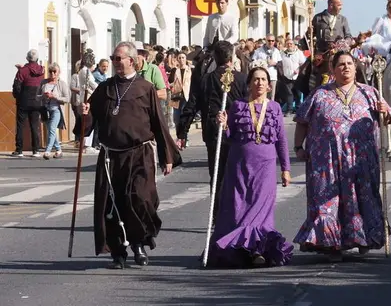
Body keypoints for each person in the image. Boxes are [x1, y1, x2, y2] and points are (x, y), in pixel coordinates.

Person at [83, 41, 181, 269]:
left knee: (139, 199)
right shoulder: (104, 88)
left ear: (132, 60)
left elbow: (159, 123)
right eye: (114, 58)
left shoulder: (145, 88)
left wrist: (167, 156)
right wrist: (84, 114)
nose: (116, 62)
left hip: (140, 154)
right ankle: (118, 253)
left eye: (120, 58)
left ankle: (138, 244)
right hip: (110, 158)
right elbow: (88, 123)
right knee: (112, 206)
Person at [293, 51, 391, 262]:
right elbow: (302, 121)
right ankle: (331, 244)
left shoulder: (370, 92)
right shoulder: (319, 94)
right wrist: (298, 147)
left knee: (360, 198)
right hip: (325, 160)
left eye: (349, 64)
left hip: (361, 159)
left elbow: (387, 118)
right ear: (333, 69)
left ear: (356, 68)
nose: (346, 67)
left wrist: (386, 111)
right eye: (341, 64)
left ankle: (362, 238)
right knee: (327, 201)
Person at [207, 67, 293, 268]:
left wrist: (286, 168)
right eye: (256, 79)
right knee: (239, 208)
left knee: (260, 209)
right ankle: (239, 250)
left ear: (269, 85)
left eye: (263, 79)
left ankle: (257, 250)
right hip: (239, 165)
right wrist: (224, 125)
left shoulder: (275, 108)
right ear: (249, 84)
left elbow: (281, 140)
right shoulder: (238, 106)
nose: (260, 83)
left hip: (266, 166)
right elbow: (230, 138)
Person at [178, 41, 247, 216]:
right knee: (234, 174)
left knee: (217, 176)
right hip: (233, 133)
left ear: (215, 58)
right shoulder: (241, 79)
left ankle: (220, 214)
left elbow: (191, 106)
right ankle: (227, 214)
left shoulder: (207, 79)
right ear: (231, 58)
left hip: (216, 132)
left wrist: (182, 132)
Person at [12, 49, 44, 157]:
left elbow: (17, 86)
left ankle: (19, 150)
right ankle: (36, 150)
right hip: (37, 101)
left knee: (20, 125)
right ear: (37, 59)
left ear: (27, 58)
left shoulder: (22, 71)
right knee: (35, 126)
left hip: (24, 101)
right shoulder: (42, 71)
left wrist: (17, 97)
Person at [39, 62, 69, 160]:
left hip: (56, 110)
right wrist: (43, 96)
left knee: (52, 129)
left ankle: (47, 151)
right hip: (46, 110)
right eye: (50, 71)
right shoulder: (44, 83)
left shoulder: (62, 84)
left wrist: (55, 97)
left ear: (58, 72)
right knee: (51, 131)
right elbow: (36, 96)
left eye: (54, 71)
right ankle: (59, 150)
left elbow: (67, 99)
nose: (52, 74)